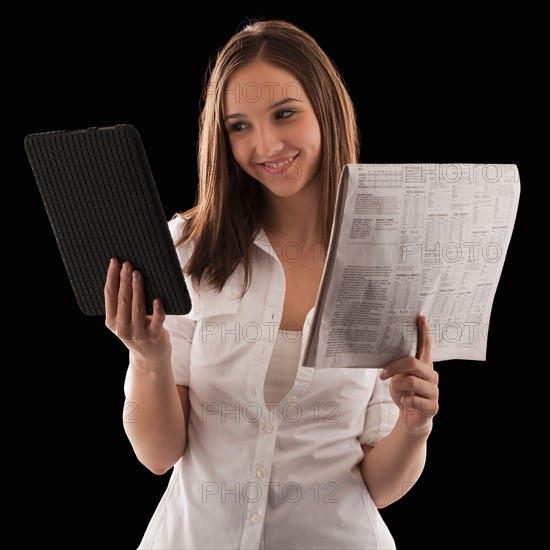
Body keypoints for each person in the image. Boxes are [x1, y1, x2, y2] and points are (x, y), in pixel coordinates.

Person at [105, 19, 439, 550]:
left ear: (325, 111)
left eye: (284, 114)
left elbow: (380, 486)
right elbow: (157, 453)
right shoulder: (188, 249)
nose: (265, 145)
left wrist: (415, 427)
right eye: (239, 126)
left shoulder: (387, 263)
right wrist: (148, 358)